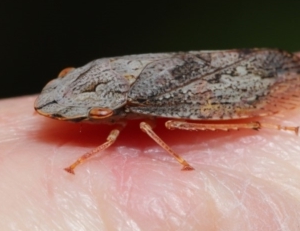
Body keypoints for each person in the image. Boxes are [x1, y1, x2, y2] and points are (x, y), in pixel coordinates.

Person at [1, 95, 300, 230]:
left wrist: (179, 159)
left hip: (238, 90)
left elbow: (110, 139)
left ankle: (265, 125)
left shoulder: (134, 109)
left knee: (175, 125)